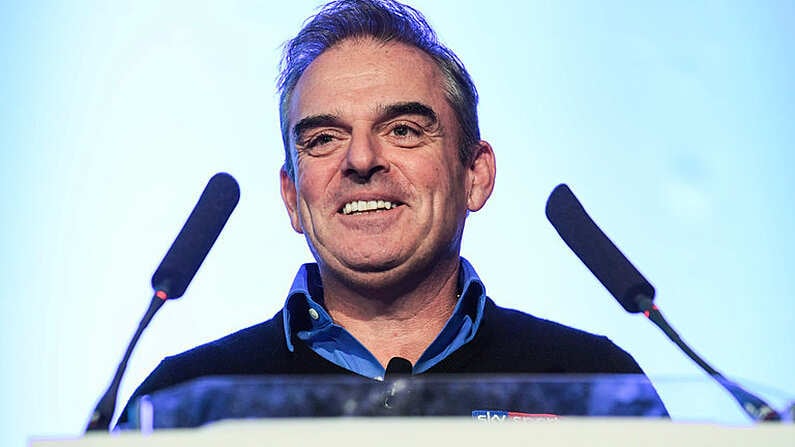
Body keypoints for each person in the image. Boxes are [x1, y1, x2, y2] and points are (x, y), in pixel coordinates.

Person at [120, 0, 663, 423]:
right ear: (292, 197)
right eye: (324, 139)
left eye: (402, 130)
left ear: (475, 174)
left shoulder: (591, 384)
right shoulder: (181, 404)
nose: (360, 160)